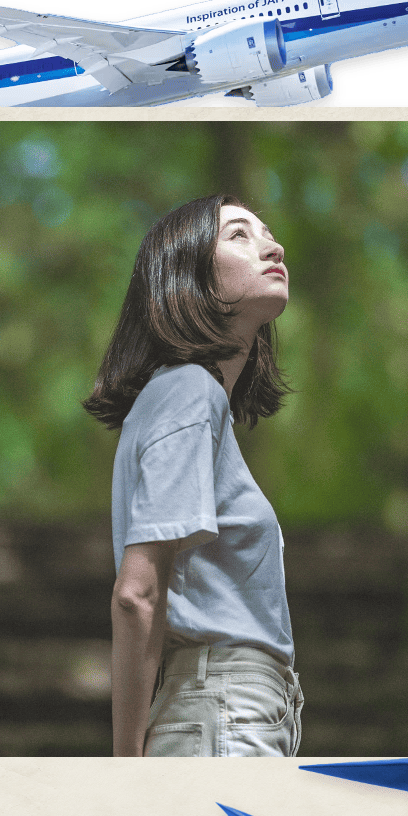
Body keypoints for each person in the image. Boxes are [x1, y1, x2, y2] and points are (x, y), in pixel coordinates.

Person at [83, 194, 302, 757]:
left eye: (267, 232)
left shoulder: (191, 400)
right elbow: (137, 594)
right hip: (224, 717)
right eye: (238, 235)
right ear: (190, 278)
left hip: (229, 716)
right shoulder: (187, 390)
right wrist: (127, 769)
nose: (272, 246)